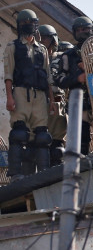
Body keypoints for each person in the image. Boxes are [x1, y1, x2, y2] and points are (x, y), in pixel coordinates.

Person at [4, 9, 54, 180]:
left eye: (30, 23)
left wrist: (52, 101)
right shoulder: (13, 47)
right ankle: (16, 174)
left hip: (40, 96)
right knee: (19, 134)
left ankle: (44, 174)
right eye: (24, 23)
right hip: (20, 93)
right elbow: (8, 75)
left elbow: (48, 78)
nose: (27, 26)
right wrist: (10, 97)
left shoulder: (42, 50)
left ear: (36, 25)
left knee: (41, 136)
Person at [57, 16, 93, 156]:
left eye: (85, 29)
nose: (82, 32)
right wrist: (77, 78)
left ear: (91, 30)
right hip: (79, 105)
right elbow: (59, 79)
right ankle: (80, 176)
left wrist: (91, 67)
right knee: (79, 145)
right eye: (78, 29)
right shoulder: (68, 56)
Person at [38, 25, 68, 167]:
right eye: (40, 37)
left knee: (57, 147)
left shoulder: (62, 58)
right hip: (38, 103)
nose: (42, 40)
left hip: (57, 102)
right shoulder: (34, 59)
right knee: (39, 144)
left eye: (45, 38)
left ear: (53, 40)